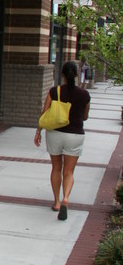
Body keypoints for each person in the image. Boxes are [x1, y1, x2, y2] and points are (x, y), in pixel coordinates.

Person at [35, 61, 90, 221]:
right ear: (77, 75)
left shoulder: (54, 91)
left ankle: (57, 202)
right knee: (69, 171)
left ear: (62, 75)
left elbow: (44, 113)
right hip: (75, 135)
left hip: (55, 134)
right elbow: (85, 117)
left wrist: (38, 131)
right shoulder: (84, 95)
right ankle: (66, 198)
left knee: (56, 168)